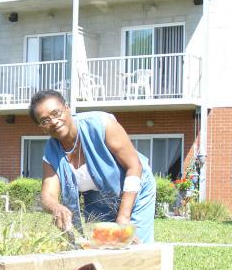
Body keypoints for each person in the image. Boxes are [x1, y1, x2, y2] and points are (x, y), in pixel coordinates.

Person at [29, 89, 156, 243]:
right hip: (96, 199)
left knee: (132, 246)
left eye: (56, 113)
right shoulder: (51, 153)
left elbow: (134, 166)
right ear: (41, 128)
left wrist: (123, 218)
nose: (54, 121)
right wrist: (56, 208)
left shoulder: (101, 124)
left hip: (135, 188)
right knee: (100, 247)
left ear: (67, 108)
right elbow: (47, 196)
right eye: (45, 120)